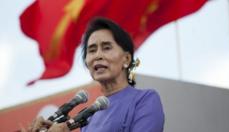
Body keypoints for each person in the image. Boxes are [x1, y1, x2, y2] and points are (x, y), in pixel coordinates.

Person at [27, 17, 164, 132]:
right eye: (92, 50)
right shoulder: (89, 116)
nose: (98, 55)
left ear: (126, 59)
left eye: (106, 48)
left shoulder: (145, 100)